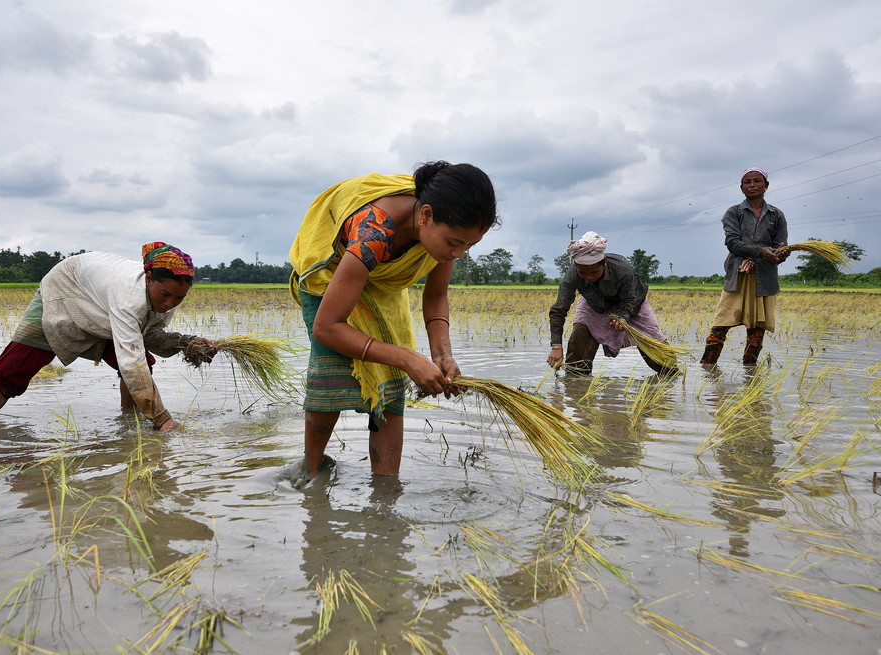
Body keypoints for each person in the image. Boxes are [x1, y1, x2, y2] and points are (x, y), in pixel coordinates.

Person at [289, 161, 498, 481]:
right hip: (332, 276)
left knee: (390, 390)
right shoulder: (375, 230)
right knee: (329, 374)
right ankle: (310, 470)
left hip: (382, 281)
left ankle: (386, 490)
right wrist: (408, 358)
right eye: (455, 243)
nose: (460, 253)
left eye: (469, 245)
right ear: (425, 215)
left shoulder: (440, 242)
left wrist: (442, 354)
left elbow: (435, 296)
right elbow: (327, 327)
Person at [0, 243, 215, 431]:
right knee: (14, 368)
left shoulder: (163, 296)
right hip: (65, 291)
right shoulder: (128, 298)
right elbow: (133, 363)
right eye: (165, 295)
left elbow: (148, 335)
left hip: (102, 305)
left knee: (143, 366)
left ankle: (129, 424)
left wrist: (186, 343)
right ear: (149, 279)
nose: (170, 303)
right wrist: (162, 419)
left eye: (179, 298)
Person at [547, 231, 676, 376]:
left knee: (663, 359)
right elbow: (559, 310)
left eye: (594, 272)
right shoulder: (572, 276)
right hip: (594, 302)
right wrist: (556, 346)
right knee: (579, 336)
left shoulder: (622, 268)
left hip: (631, 300)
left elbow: (629, 300)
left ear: (604, 263)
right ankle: (575, 385)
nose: (589, 277)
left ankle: (672, 376)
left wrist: (622, 316)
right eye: (583, 273)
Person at [700, 167, 790, 366]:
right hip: (738, 276)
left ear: (766, 186)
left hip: (764, 278)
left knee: (757, 329)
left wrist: (780, 254)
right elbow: (732, 243)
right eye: (747, 182)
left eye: (757, 181)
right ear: (741, 189)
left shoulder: (777, 215)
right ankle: (707, 368)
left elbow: (779, 246)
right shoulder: (734, 213)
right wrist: (760, 252)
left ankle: (750, 374)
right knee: (720, 325)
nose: (752, 185)